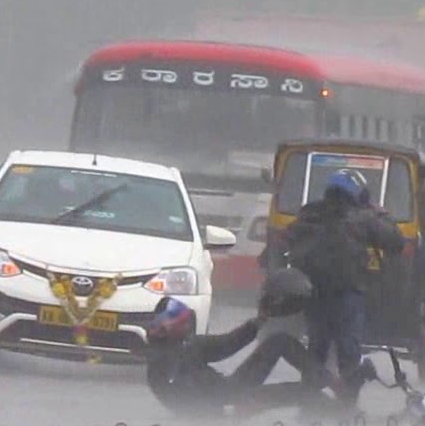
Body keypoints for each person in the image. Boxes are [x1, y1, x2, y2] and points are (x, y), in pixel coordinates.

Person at [282, 169, 406, 399]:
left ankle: (308, 401)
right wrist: (381, 214)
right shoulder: (363, 217)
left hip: (314, 294)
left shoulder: (309, 214)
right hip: (347, 294)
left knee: (316, 349)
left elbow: (287, 239)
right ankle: (347, 404)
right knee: (348, 350)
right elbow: (396, 242)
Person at [143, 269, 331, 412]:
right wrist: (234, 408)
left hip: (233, 391)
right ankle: (341, 417)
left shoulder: (190, 345)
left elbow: (228, 344)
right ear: (164, 330)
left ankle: (332, 382)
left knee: (279, 341)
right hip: (232, 402)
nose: (188, 326)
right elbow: (185, 406)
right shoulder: (161, 366)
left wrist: (261, 319)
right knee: (301, 392)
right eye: (183, 323)